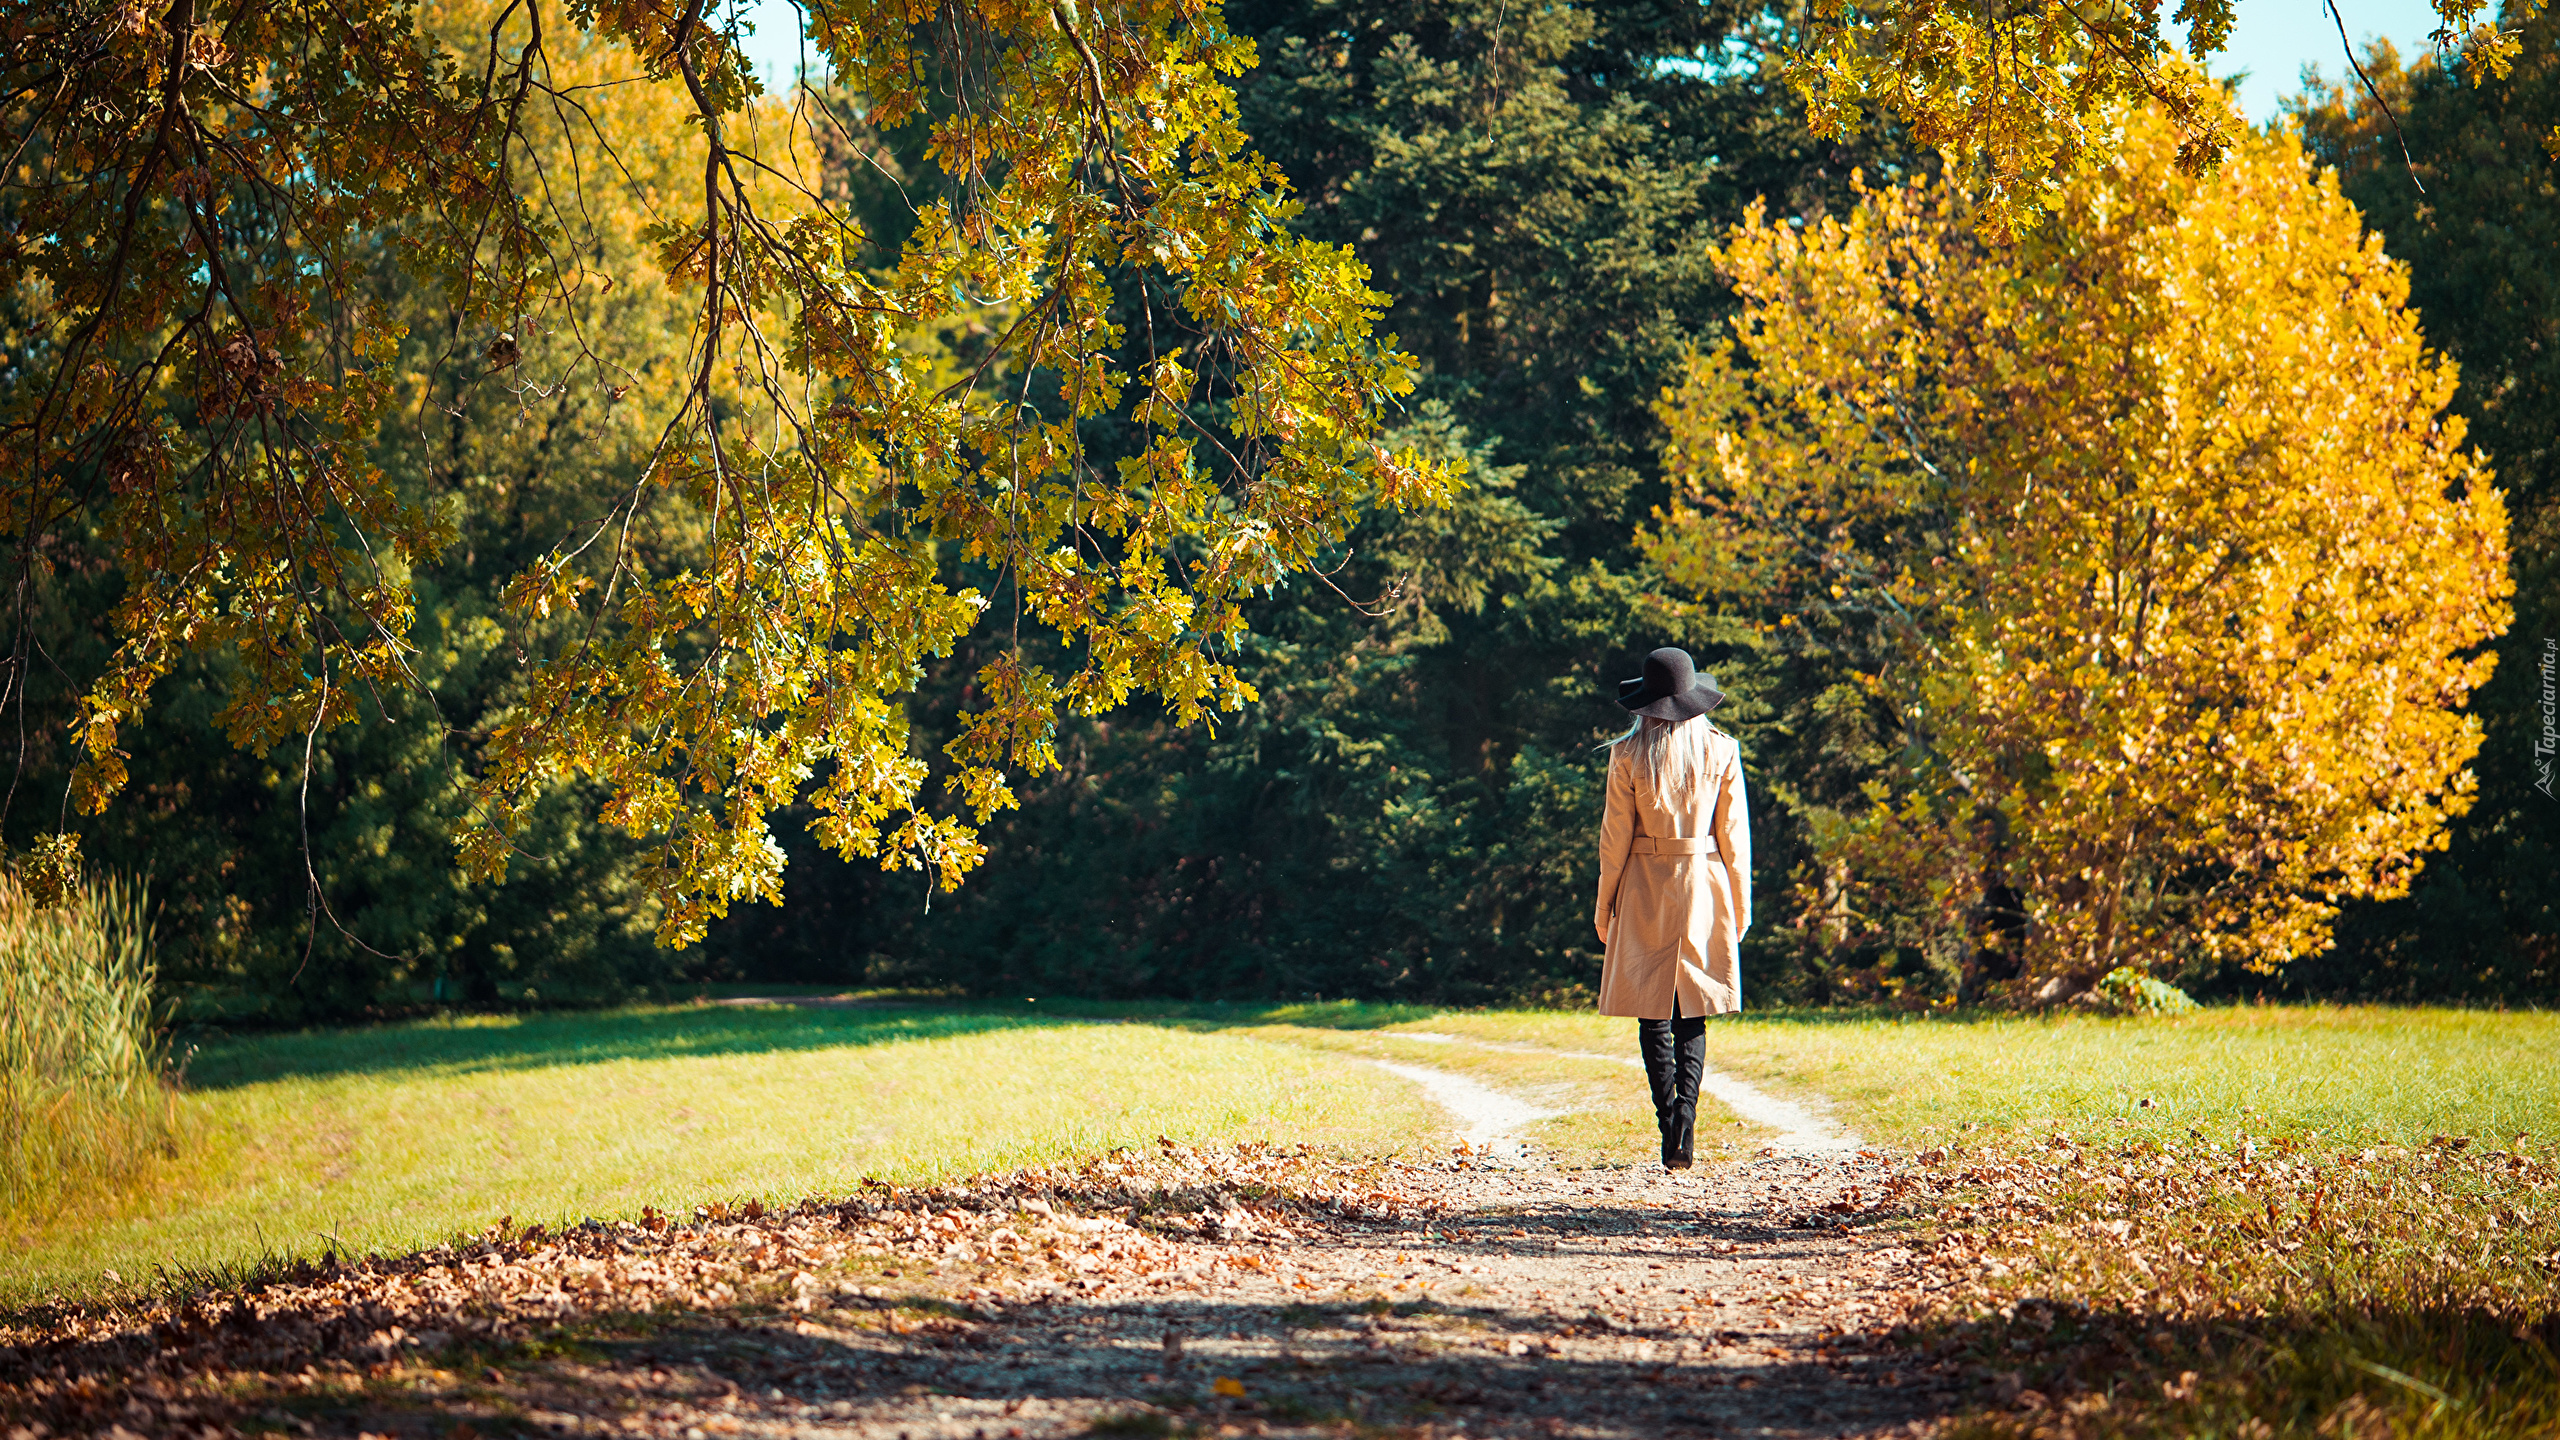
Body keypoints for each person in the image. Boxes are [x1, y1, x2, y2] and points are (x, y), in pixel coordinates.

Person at [1593, 647, 1752, 1170]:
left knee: (1651, 1011)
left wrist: (1604, 904)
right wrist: (1740, 902)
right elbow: (1734, 838)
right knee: (1692, 1012)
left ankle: (1668, 1120)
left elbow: (1614, 840)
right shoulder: (1722, 751)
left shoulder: (1626, 754)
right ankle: (1687, 1118)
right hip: (1704, 885)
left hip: (1644, 884)